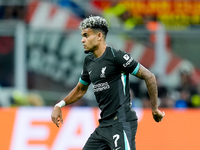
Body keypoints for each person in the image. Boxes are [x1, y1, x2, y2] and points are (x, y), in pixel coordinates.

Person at [51, 16, 165, 150]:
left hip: (121, 123)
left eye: (86, 35)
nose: (82, 40)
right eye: (82, 36)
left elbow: (149, 76)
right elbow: (81, 89)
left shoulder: (117, 57)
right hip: (104, 126)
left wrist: (155, 108)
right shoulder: (89, 61)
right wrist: (60, 104)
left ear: (99, 36)